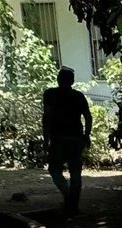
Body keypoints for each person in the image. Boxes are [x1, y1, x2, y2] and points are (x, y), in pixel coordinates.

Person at [42, 66, 91, 215]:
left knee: (55, 170)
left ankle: (68, 197)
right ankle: (72, 204)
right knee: (75, 172)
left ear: (58, 79)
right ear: (72, 81)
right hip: (75, 138)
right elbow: (88, 117)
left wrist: (46, 138)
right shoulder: (78, 96)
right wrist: (86, 135)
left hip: (58, 139)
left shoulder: (50, 94)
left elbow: (46, 117)